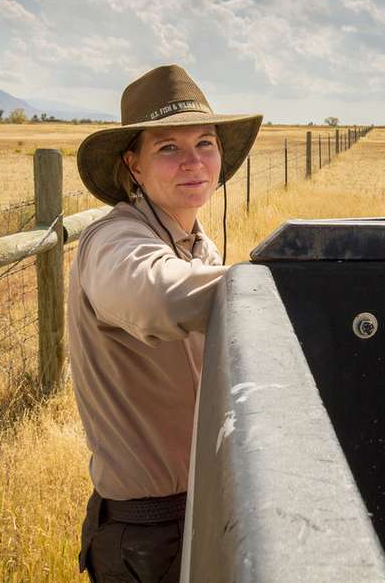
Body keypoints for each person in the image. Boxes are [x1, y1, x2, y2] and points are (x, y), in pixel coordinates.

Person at [69, 64, 261, 583]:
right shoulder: (112, 242)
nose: (193, 161)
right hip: (146, 532)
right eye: (168, 148)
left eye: (205, 142)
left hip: (200, 507)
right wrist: (273, 286)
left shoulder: (198, 246)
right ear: (133, 165)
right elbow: (158, 297)